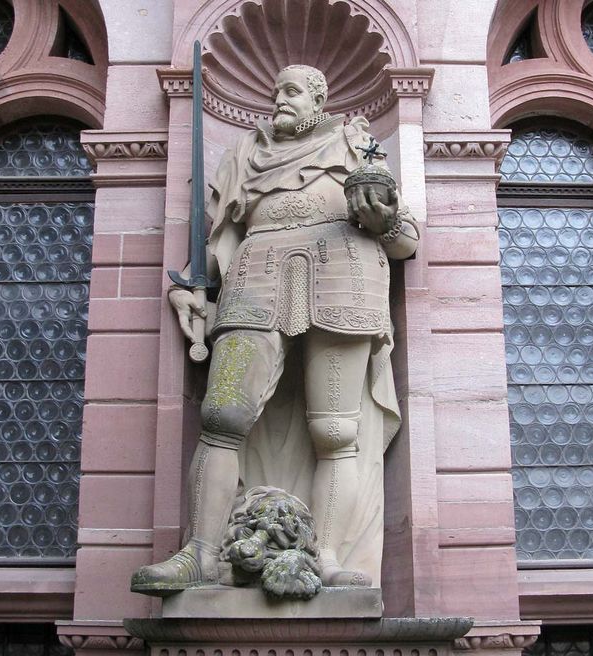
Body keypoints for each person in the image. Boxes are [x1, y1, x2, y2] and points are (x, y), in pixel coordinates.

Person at [131, 64, 418, 594]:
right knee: (221, 416)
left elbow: (405, 239)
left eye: (289, 91)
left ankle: (327, 557)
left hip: (343, 275)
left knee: (335, 431)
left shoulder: (356, 141)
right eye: (274, 90)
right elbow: (222, 236)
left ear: (318, 98)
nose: (278, 99)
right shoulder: (245, 153)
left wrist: (385, 221)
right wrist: (192, 286)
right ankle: (200, 553)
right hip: (255, 276)